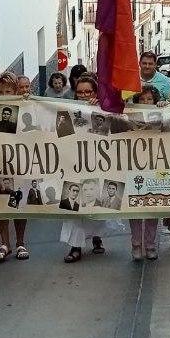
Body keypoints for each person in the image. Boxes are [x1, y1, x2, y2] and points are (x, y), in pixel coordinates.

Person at [61, 75, 107, 262]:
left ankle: (96, 237)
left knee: (95, 201)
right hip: (73, 165)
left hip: (97, 164)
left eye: (88, 91)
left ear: (95, 92)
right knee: (73, 205)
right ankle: (75, 246)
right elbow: (61, 136)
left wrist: (98, 108)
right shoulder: (66, 112)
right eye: (80, 92)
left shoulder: (102, 110)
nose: (84, 95)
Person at [0, 72, 31, 263]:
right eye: (0, 91)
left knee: (19, 202)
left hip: (19, 163)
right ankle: (5, 243)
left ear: (15, 91)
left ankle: (20, 242)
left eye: (8, 90)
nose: (4, 94)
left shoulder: (26, 107)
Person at [127, 87, 161, 260]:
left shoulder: (162, 114)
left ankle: (150, 244)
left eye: (150, 99)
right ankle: (136, 244)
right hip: (134, 166)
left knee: (153, 207)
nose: (147, 103)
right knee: (135, 207)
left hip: (155, 166)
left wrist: (167, 106)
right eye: (143, 100)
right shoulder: (130, 116)